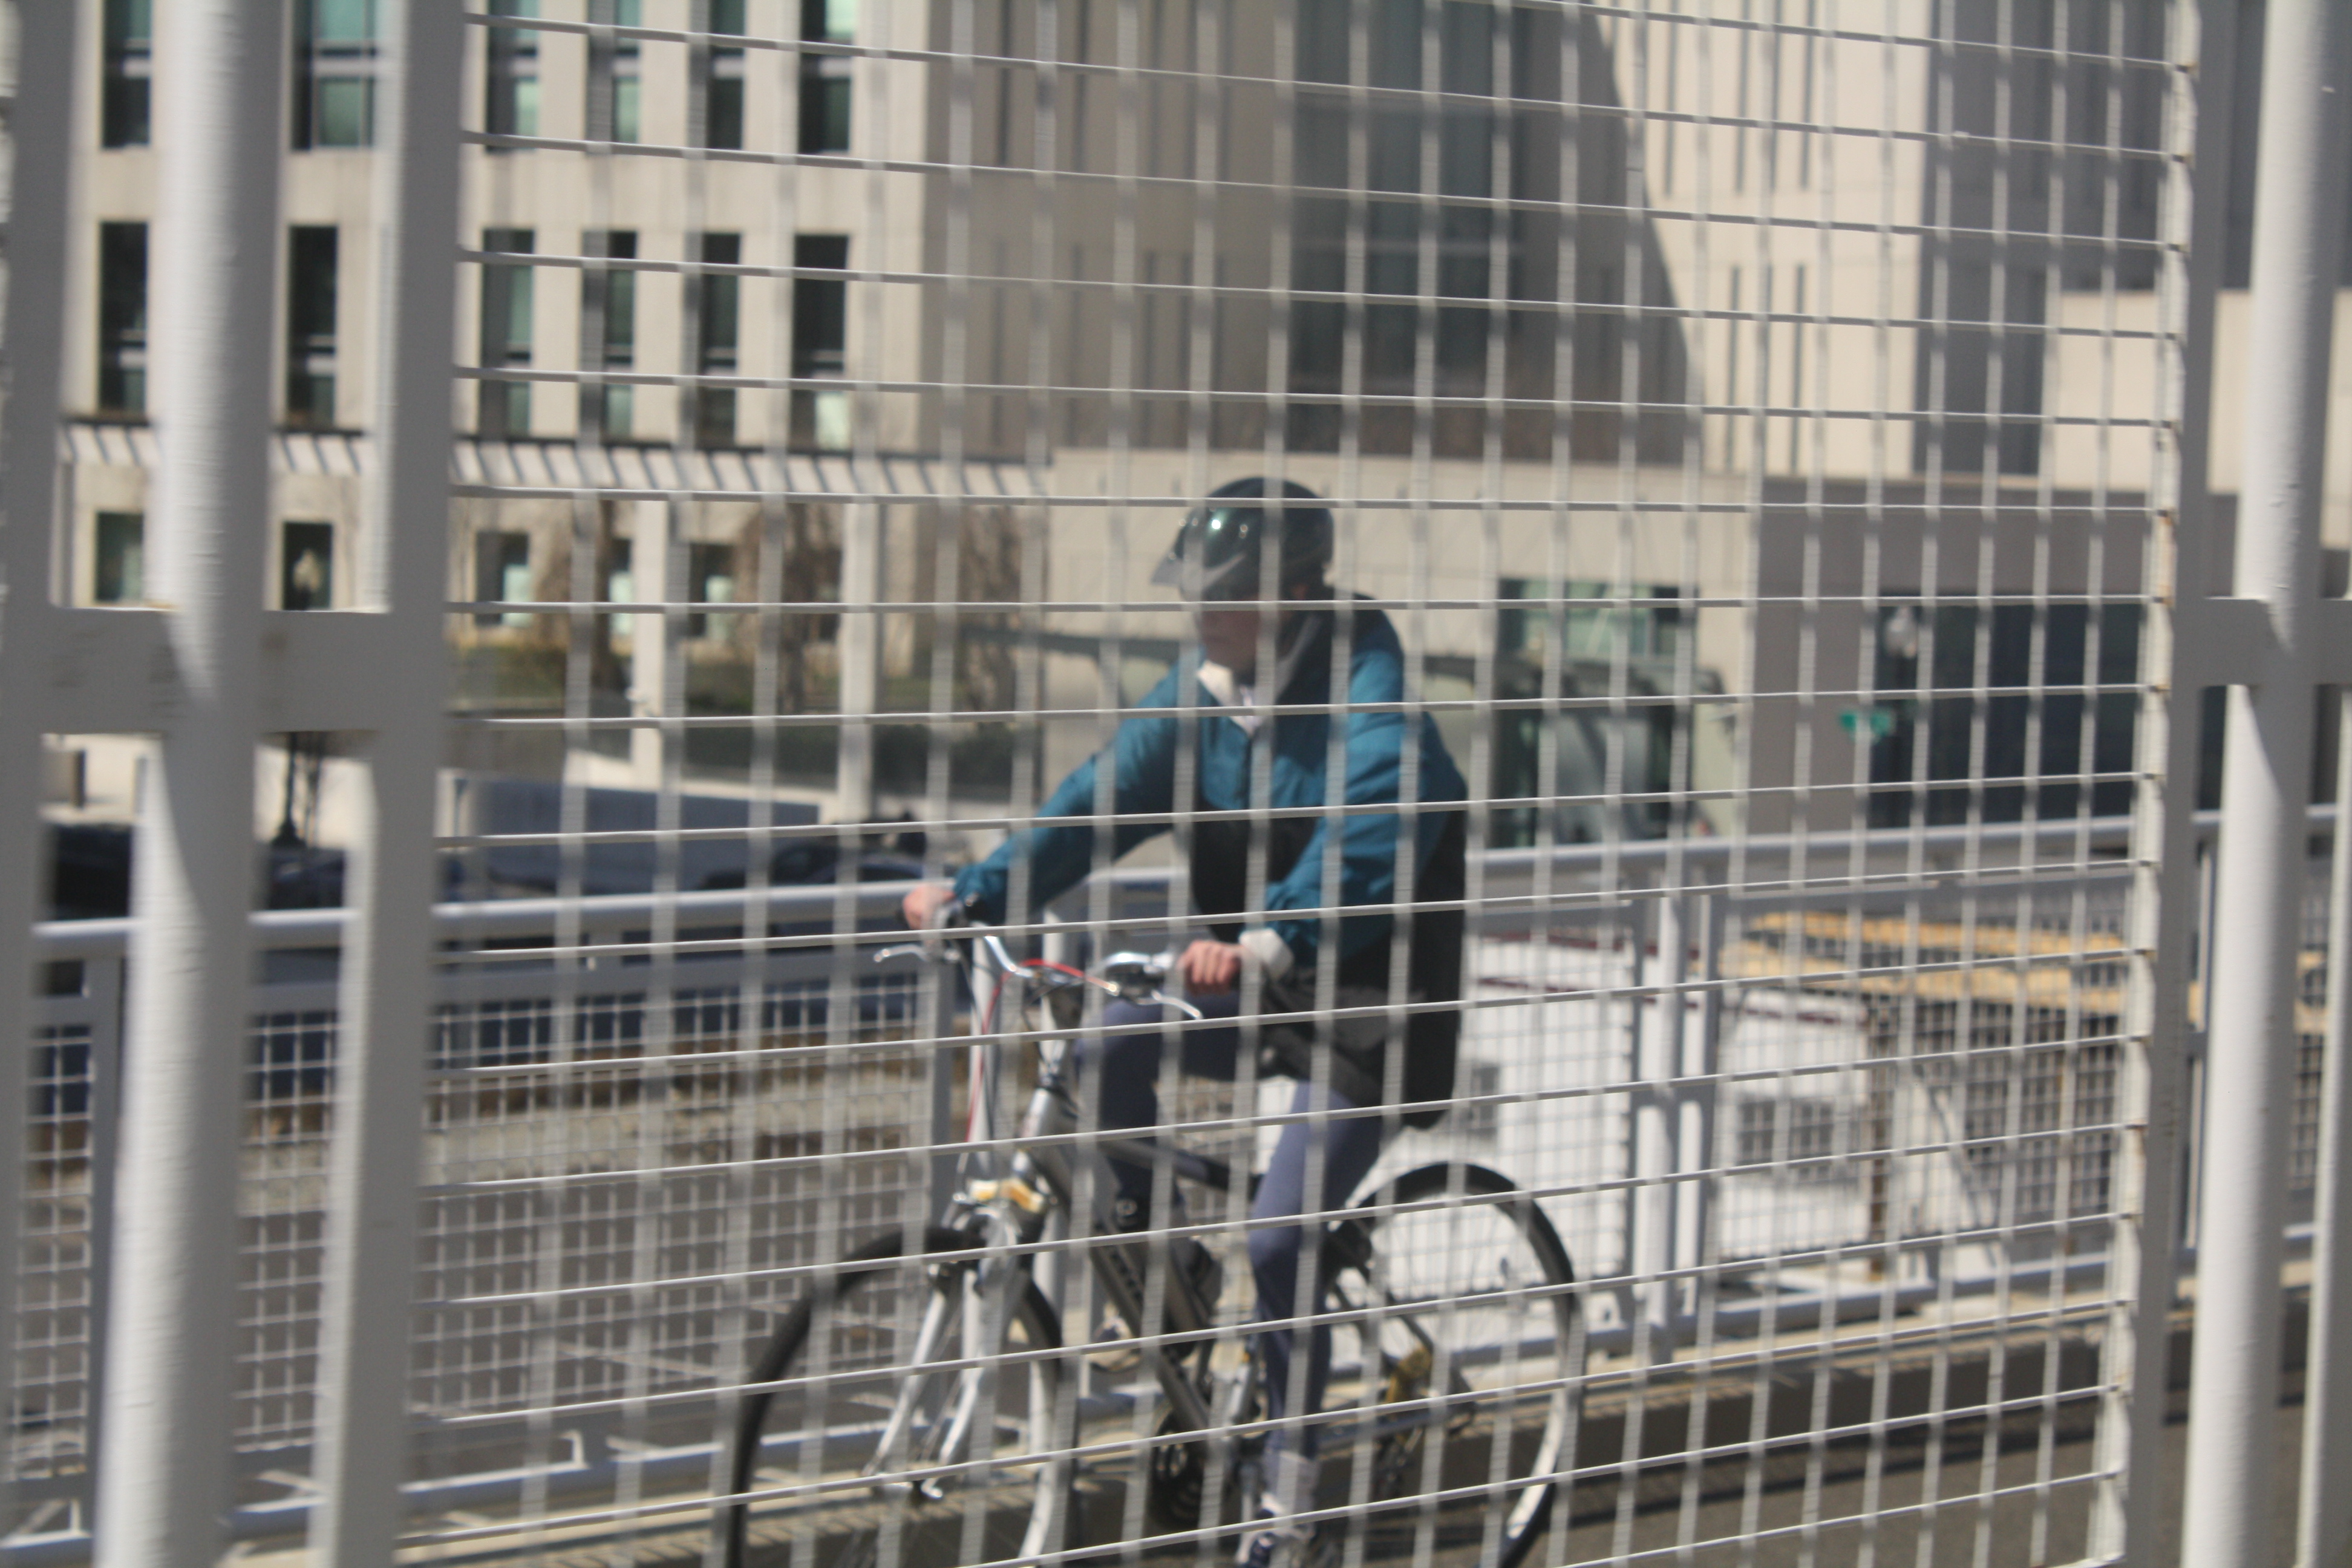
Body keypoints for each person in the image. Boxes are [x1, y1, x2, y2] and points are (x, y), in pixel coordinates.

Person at [901, 477, 1469, 1567]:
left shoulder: (1365, 678)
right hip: (1259, 970)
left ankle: (1288, 1506)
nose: (1206, 620)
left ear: (1296, 593)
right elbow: (1094, 803)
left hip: (1367, 996)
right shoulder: (1204, 695)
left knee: (1283, 1238)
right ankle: (1173, 1278)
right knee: (1107, 1043)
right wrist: (979, 896)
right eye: (1198, 599)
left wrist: (1275, 935)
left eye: (1229, 600)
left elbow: (1378, 819)